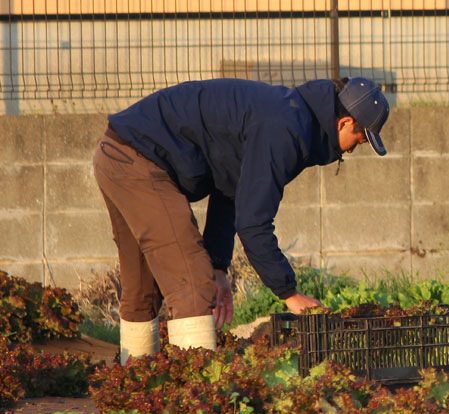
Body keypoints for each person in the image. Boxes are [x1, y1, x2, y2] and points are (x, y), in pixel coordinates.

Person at [93, 76, 390, 362]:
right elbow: (254, 224)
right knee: (193, 282)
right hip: (140, 160)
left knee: (143, 288)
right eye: (360, 139)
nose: (352, 148)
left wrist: (219, 267)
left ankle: (136, 385)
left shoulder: (290, 114)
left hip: (114, 152)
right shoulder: (287, 128)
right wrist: (290, 294)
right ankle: (197, 401)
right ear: (345, 122)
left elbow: (231, 188)